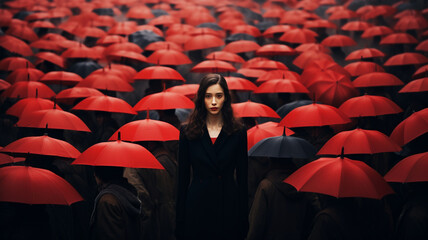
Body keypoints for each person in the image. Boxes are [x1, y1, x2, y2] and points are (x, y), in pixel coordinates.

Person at [176, 73, 249, 240]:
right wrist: (180, 220)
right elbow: (182, 180)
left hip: (228, 206)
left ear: (226, 98)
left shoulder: (238, 132)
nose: (214, 102)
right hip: (197, 206)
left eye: (219, 96)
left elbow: (243, 179)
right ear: (202, 98)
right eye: (208, 96)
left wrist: (244, 219)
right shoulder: (188, 132)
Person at [90, 166, 142, 240]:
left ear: (102, 173)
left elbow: (109, 234)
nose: (94, 175)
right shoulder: (127, 192)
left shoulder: (107, 201)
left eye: (96, 172)